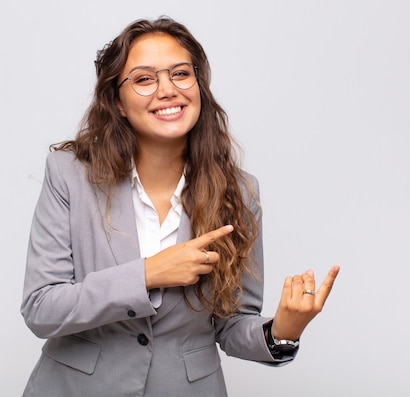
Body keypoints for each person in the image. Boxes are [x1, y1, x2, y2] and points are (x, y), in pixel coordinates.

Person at [20, 16, 340, 396]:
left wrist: (283, 331)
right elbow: (42, 307)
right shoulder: (69, 174)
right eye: (143, 79)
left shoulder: (239, 191)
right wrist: (149, 273)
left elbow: (232, 324)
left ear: (198, 86)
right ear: (117, 102)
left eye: (180, 74)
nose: (167, 90)